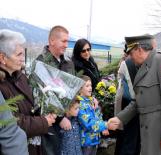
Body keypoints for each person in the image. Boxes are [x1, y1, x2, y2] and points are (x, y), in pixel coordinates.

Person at [109, 34, 161, 155]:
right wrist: (120, 118)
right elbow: (139, 101)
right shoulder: (144, 66)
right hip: (151, 131)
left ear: (139, 49)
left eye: (130, 53)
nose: (129, 57)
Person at [0, 29, 56, 155]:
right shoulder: (2, 86)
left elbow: (31, 103)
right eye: (19, 54)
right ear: (3, 58)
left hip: (32, 144)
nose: (23, 59)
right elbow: (11, 123)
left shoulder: (20, 76)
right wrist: (44, 122)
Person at [34, 25, 75, 155]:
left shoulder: (68, 62)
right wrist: (60, 118)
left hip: (69, 119)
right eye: (63, 41)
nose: (66, 45)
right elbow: (39, 97)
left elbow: (72, 88)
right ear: (52, 41)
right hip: (50, 124)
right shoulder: (40, 63)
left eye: (67, 41)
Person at [114, 50, 140, 155]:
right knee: (131, 138)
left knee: (125, 136)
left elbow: (119, 79)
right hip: (132, 104)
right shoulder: (129, 64)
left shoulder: (125, 62)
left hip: (125, 103)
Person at [77, 75, 109, 155]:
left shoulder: (91, 101)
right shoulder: (80, 104)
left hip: (94, 139)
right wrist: (105, 125)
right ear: (80, 89)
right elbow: (88, 123)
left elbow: (98, 115)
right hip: (86, 142)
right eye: (87, 86)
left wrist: (103, 128)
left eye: (90, 85)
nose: (90, 88)